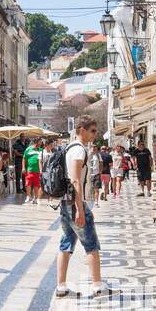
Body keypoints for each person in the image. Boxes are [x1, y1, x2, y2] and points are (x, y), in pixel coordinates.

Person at [55, 118, 118, 299]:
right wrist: (80, 210)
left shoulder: (70, 148)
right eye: (92, 131)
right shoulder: (78, 150)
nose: (95, 134)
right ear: (81, 130)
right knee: (91, 244)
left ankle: (61, 287)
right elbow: (75, 180)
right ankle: (98, 286)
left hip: (66, 202)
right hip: (74, 203)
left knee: (66, 243)